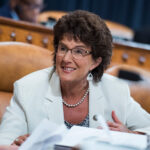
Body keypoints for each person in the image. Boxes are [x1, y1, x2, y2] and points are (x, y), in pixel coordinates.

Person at [0, 10, 150, 146]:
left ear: (96, 61)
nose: (66, 58)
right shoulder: (27, 88)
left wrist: (129, 135)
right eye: (63, 48)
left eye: (79, 51)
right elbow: (4, 143)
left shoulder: (116, 90)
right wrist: (22, 145)